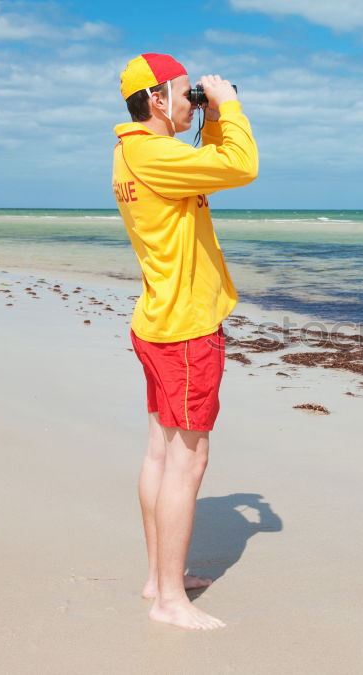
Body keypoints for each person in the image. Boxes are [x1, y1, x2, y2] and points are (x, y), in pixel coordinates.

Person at [112, 53, 258, 630]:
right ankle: (171, 600)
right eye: (180, 92)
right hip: (185, 328)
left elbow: (207, 164)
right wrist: (227, 104)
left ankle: (158, 577)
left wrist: (203, 112)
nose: (188, 99)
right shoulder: (158, 153)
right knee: (187, 462)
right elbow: (241, 166)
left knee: (159, 451)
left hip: (156, 320)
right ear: (155, 100)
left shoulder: (131, 149)